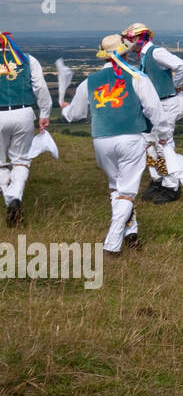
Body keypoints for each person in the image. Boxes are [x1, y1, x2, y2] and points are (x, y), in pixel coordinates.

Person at [60, 35, 164, 253]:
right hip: (131, 138)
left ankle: (131, 232)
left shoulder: (90, 81)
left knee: (117, 188)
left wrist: (64, 109)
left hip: (101, 140)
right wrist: (158, 134)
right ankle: (112, 242)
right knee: (126, 191)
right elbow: (154, 110)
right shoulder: (137, 77)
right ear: (125, 53)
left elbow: (76, 114)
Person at [120, 22, 183, 203]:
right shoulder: (144, 56)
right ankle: (158, 179)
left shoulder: (156, 52)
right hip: (153, 105)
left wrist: (176, 85)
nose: (128, 43)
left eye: (130, 39)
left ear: (138, 38)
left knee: (164, 144)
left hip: (166, 104)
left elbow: (182, 66)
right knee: (146, 142)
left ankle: (172, 186)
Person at [0, 31, 52, 227]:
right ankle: (15, 197)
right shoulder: (28, 60)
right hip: (24, 113)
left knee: (0, 163)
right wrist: (45, 113)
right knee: (21, 161)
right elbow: (41, 88)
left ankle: (10, 198)